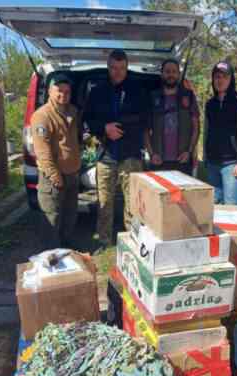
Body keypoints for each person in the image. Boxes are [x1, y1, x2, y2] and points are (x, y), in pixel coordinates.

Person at [83, 49, 150, 251]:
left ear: (127, 68)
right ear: (108, 67)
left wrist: (122, 127)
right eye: (113, 67)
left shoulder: (138, 90)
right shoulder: (97, 91)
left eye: (121, 68)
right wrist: (104, 128)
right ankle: (104, 241)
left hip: (131, 154)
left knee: (133, 202)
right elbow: (88, 119)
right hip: (105, 155)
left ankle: (132, 240)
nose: (117, 72)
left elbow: (146, 120)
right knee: (104, 201)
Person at [31, 73, 82, 249]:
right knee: (52, 217)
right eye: (59, 90)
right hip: (53, 177)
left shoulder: (73, 111)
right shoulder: (42, 116)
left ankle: (66, 249)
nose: (63, 95)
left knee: (70, 215)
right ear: (50, 92)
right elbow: (42, 152)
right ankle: (51, 254)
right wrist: (54, 175)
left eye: (67, 91)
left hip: (72, 174)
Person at [203, 61, 237, 205]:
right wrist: (205, 157)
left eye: (224, 77)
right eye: (216, 77)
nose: (220, 80)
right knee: (213, 207)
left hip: (232, 165)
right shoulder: (210, 104)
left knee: (231, 208)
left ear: (231, 79)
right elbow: (206, 132)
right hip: (212, 164)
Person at [144, 59, 200, 175]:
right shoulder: (153, 97)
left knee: (182, 194)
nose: (171, 75)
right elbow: (145, 129)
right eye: (167, 71)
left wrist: (189, 152)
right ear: (162, 74)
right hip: (159, 161)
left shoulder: (188, 96)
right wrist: (151, 154)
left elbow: (196, 128)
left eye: (174, 72)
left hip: (183, 161)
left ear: (179, 74)